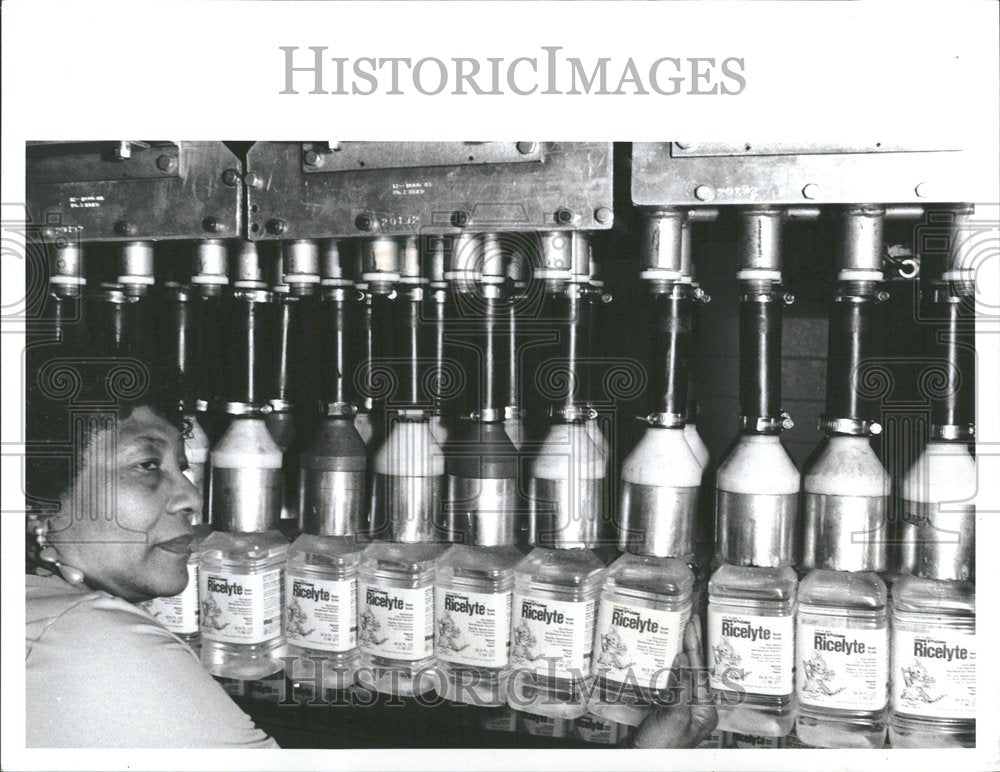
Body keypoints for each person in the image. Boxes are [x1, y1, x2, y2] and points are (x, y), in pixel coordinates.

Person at [25, 352, 715, 749]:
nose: (191, 499)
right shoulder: (93, 643)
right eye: (149, 467)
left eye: (185, 466)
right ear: (40, 506)